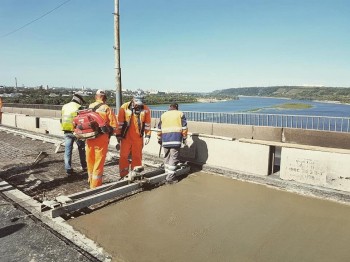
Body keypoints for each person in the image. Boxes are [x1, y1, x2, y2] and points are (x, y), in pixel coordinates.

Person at [116, 91, 151, 178]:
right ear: (133, 100)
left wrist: (147, 135)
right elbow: (119, 123)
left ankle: (135, 174)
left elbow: (147, 124)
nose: (138, 105)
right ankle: (124, 175)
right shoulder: (124, 107)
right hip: (126, 137)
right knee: (124, 156)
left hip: (138, 138)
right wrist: (118, 135)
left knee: (137, 156)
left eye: (140, 103)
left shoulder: (146, 109)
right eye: (136, 103)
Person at [86, 89, 117, 188]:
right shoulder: (106, 108)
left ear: (96, 97)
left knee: (90, 160)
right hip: (101, 138)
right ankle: (95, 185)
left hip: (90, 137)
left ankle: (90, 180)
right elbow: (114, 125)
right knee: (98, 162)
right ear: (104, 98)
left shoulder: (90, 106)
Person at [157, 102, 188, 184]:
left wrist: (159, 138)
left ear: (169, 107)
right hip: (175, 139)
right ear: (177, 107)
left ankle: (166, 174)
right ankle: (170, 178)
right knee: (174, 158)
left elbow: (159, 128)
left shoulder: (163, 115)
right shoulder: (180, 114)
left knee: (166, 157)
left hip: (165, 140)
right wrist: (184, 138)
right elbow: (184, 127)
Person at [61, 92, 87, 176]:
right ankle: (84, 166)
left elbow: (61, 119)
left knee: (68, 151)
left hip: (66, 131)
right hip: (77, 132)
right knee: (81, 149)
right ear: (79, 100)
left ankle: (68, 169)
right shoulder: (79, 107)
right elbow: (82, 121)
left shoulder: (64, 106)